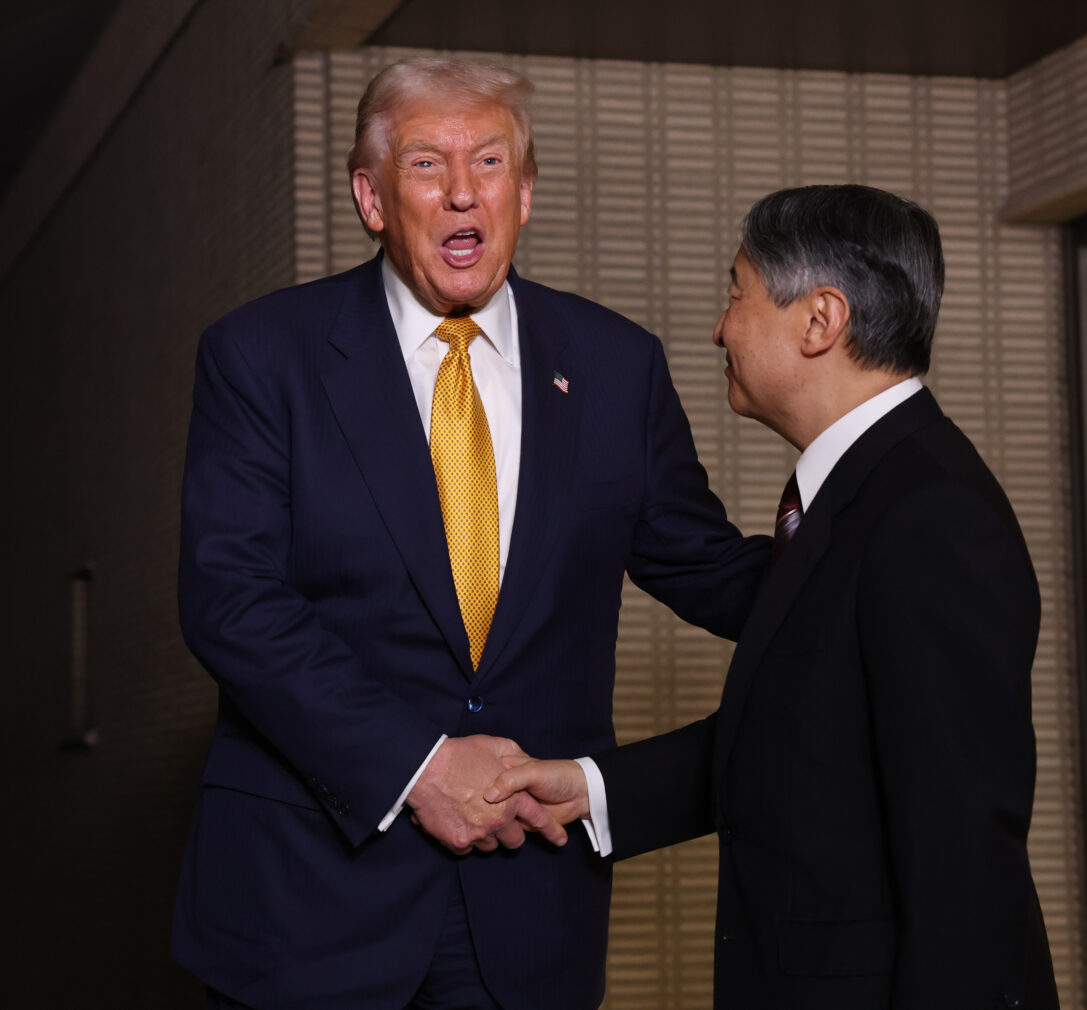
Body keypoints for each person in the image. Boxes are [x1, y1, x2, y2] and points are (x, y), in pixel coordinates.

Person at [170, 58, 769, 1010]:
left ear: (523, 194)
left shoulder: (616, 365)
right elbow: (231, 600)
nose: (461, 191)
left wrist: (863, 519)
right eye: (425, 164)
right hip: (309, 904)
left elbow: (703, 565)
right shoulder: (261, 356)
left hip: (528, 911)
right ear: (371, 197)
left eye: (489, 161)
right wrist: (421, 766)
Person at [489, 185, 1061, 1009]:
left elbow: (962, 857)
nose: (719, 326)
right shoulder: (858, 492)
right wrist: (593, 789)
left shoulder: (929, 515)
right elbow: (808, 739)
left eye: (735, 293)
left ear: (820, 321)